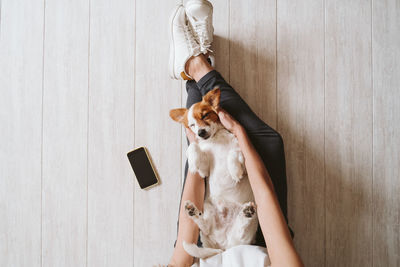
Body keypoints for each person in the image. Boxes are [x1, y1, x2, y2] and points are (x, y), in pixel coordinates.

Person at [168, 1, 303, 266]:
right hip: (256, 237)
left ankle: (195, 65)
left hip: (204, 239)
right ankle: (197, 63)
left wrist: (196, 150)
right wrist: (239, 132)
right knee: (270, 143)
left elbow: (180, 261)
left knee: (206, 144)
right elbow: (264, 195)